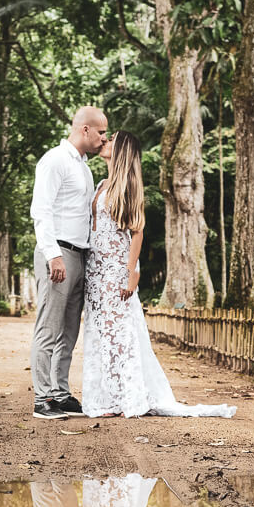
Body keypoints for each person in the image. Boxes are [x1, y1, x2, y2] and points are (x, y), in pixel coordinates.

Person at [82, 131, 236, 419]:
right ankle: (108, 397)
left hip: (116, 269)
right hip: (95, 271)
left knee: (121, 333)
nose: (104, 141)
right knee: (101, 333)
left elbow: (137, 232)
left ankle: (128, 397)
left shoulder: (128, 185)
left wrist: (130, 273)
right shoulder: (101, 184)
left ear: (122, 149)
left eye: (111, 138)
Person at [28, 106, 108, 420]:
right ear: (85, 129)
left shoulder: (84, 167)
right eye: (101, 132)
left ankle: (60, 393)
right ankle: (42, 398)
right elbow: (41, 210)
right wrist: (53, 255)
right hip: (58, 253)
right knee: (49, 327)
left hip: (80, 255)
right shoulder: (55, 160)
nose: (104, 139)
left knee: (69, 331)